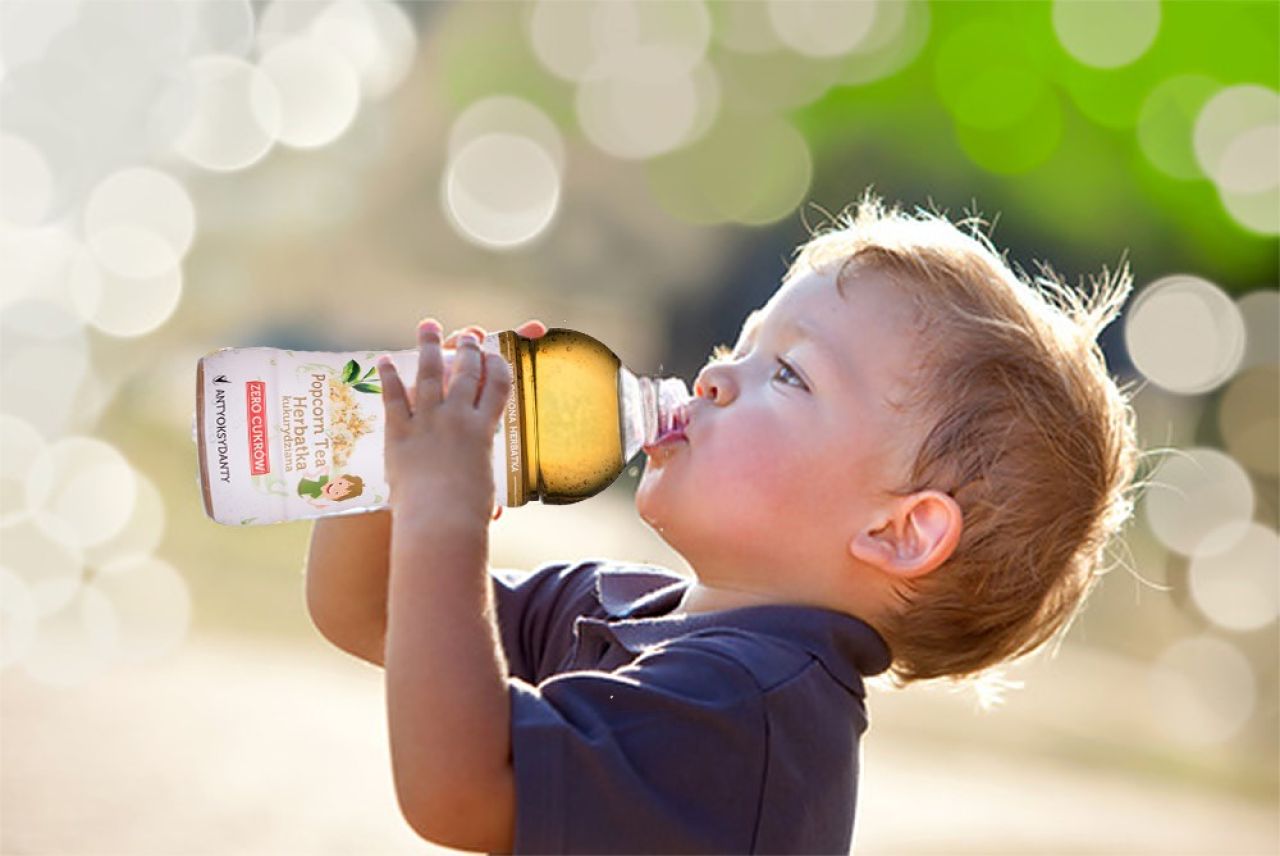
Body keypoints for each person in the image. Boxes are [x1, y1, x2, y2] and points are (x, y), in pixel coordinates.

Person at [303, 192, 1141, 854]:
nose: (712, 378)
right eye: (739, 345)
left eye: (787, 373)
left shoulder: (749, 713)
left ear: (898, 532)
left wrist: (446, 515)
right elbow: (369, 608)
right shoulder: (628, 609)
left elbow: (458, 792)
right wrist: (387, 463)